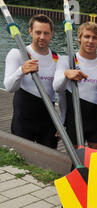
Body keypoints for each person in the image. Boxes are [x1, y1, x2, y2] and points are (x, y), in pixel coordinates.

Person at [53, 22, 97, 150]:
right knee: (75, 163)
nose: (90, 41)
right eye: (87, 36)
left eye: (94, 38)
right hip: (73, 119)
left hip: (96, 121)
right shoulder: (66, 60)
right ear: (79, 38)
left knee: (96, 164)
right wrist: (66, 74)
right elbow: (57, 88)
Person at [4, 14, 60, 149]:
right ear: (30, 31)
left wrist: (61, 122)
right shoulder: (17, 54)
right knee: (22, 163)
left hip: (49, 119)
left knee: (48, 164)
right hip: (24, 119)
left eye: (46, 33)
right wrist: (21, 70)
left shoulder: (57, 58)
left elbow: (62, 94)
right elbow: (9, 87)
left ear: (52, 34)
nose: (42, 37)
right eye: (38, 32)